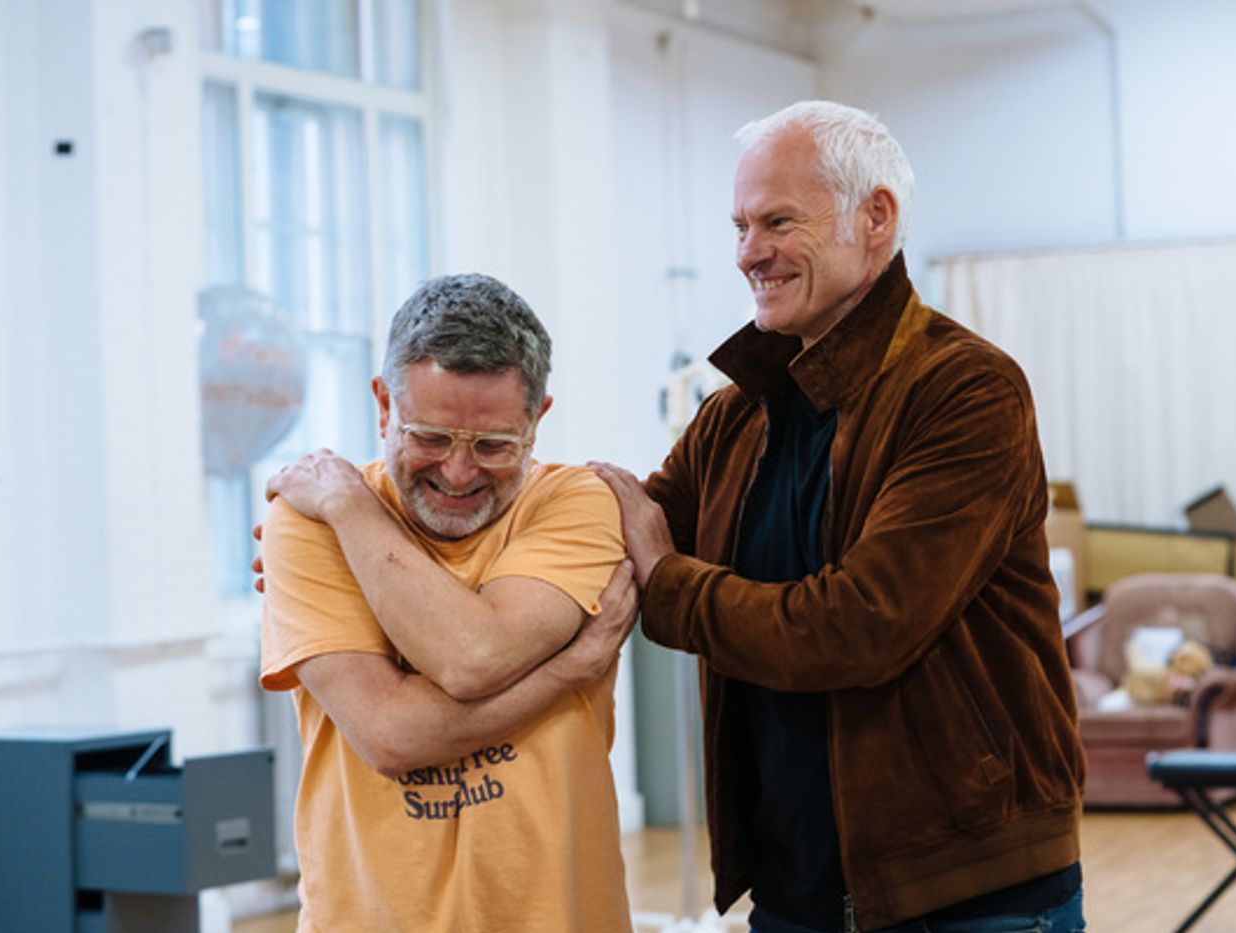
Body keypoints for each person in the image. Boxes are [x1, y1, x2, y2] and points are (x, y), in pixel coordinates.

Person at [591, 100, 1087, 933]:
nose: (749, 252)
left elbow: (860, 624)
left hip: (967, 897)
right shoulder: (735, 416)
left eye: (777, 221)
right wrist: (369, 527)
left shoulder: (967, 390)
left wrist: (671, 584)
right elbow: (602, 527)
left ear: (876, 217)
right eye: (741, 225)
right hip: (795, 893)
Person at [258, 273, 638, 933]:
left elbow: (474, 654)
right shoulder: (310, 515)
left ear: (538, 419)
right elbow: (391, 734)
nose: (458, 473)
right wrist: (565, 671)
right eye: (429, 437)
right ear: (383, 405)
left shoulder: (577, 503)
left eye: (493, 445)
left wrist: (351, 514)